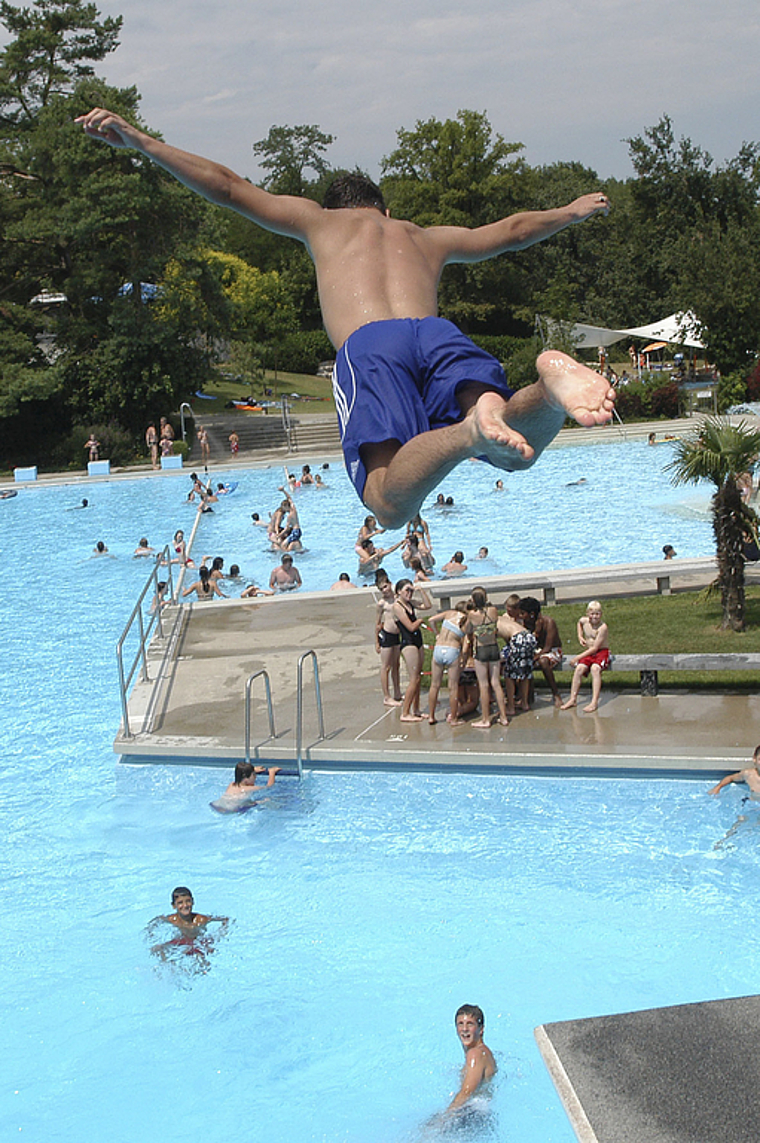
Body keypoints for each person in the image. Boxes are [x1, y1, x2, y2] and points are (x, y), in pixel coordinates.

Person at [77, 107, 616, 526]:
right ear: (384, 211)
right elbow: (514, 231)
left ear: (336, 208)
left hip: (371, 347)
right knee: (516, 457)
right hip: (438, 334)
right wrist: (570, 211)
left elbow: (228, 186)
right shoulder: (424, 236)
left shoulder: (320, 222)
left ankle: (471, 431)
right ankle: (547, 391)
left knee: (387, 504)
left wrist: (143, 142)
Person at [146, 887, 228, 965]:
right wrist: (151, 934)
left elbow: (226, 919)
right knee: (157, 949)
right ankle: (167, 967)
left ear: (193, 902)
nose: (185, 905)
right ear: (174, 906)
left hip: (198, 943)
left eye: (188, 901)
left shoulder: (200, 920)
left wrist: (220, 935)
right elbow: (156, 921)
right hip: (182, 941)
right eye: (180, 903)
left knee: (201, 960)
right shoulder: (173, 919)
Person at [466, 587, 508, 728]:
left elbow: (467, 629)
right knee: (496, 683)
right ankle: (503, 717)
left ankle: (485, 719)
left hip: (481, 649)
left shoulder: (472, 614)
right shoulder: (493, 611)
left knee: (484, 685)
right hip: (494, 647)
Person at [445, 1004, 497, 1117]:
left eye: (470, 1024)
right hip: (481, 1113)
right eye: (460, 1024)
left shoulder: (475, 1054)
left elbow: (466, 1093)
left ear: (481, 1029)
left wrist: (444, 1118)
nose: (464, 1029)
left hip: (472, 1113)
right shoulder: (485, 1052)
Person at [561, 600, 610, 713]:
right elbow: (579, 623)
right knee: (579, 669)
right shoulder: (585, 621)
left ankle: (594, 701)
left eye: (597, 614)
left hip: (601, 651)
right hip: (589, 652)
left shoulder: (602, 628)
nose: (594, 617)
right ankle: (572, 699)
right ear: (587, 613)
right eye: (592, 614)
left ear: (601, 614)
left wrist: (577, 657)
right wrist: (580, 636)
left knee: (595, 669)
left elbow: (595, 648)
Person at [393, 578, 432, 722]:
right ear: (398, 592)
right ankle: (405, 712)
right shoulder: (397, 607)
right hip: (408, 643)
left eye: (411, 590)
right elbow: (410, 626)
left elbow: (428, 605)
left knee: (418, 677)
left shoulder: (410, 603)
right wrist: (420, 621)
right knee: (413, 679)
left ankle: (416, 710)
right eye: (407, 590)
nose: (409, 593)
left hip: (418, 641)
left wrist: (421, 590)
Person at [519, 596, 563, 707]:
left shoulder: (548, 622)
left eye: (522, 613)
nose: (520, 616)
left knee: (543, 662)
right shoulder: (524, 624)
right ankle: (527, 696)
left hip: (553, 650)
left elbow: (548, 647)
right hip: (536, 651)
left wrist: (535, 657)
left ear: (532, 614)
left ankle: (556, 694)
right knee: (524, 661)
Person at [427, 606, 467, 725]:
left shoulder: (449, 613)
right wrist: (463, 660)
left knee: (434, 685)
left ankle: (431, 716)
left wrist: (437, 633)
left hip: (439, 649)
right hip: (452, 649)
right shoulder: (465, 620)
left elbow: (431, 620)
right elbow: (465, 645)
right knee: (453, 687)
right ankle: (454, 719)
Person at [374, 578, 403, 706]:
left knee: (396, 665)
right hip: (386, 635)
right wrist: (377, 642)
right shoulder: (382, 604)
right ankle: (386, 696)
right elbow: (377, 624)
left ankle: (397, 692)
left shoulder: (398, 600)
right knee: (386, 666)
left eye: (385, 587)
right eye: (381, 589)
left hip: (397, 635)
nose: (384, 591)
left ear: (390, 584)